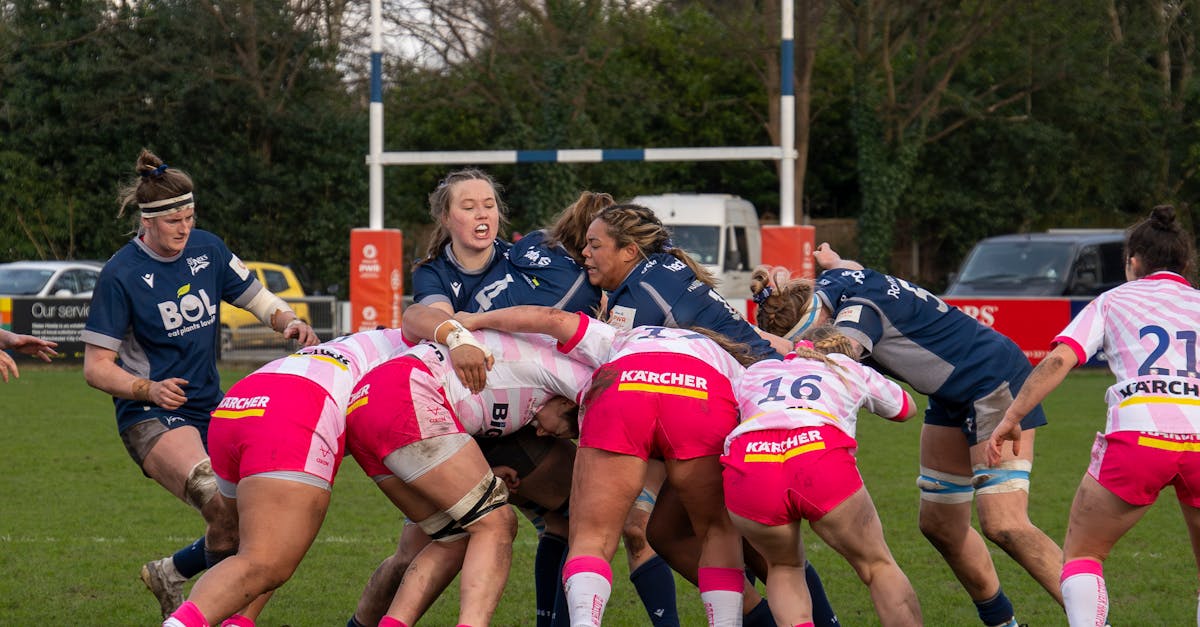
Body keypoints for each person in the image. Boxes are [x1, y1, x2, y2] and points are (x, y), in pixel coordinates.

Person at [384, 173, 678, 627]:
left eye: (489, 205)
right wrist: (458, 334)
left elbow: (548, 327)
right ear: (445, 216)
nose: (482, 214)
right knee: (420, 552)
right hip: (455, 416)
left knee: (567, 518)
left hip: (512, 417)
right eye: (468, 206)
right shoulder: (434, 271)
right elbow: (433, 323)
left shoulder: (520, 256)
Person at [752, 243, 1065, 626]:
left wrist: (753, 340)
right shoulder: (835, 280)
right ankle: (1003, 622)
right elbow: (845, 264)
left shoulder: (856, 316)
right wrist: (829, 259)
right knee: (940, 525)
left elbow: (831, 358)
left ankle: (1093, 617)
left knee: (1005, 524)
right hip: (952, 393)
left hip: (991, 380)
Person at [81, 149, 320, 620]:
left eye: (190, 217)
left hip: (212, 408)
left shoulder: (208, 249)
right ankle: (211, 615)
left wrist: (287, 320)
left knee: (253, 525)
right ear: (147, 221)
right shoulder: (120, 274)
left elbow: (256, 297)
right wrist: (146, 390)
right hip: (149, 416)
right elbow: (96, 367)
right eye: (174, 220)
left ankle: (173, 573)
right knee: (222, 510)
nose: (184, 228)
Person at [582, 202, 835, 626]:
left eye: (594, 245)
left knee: (758, 544)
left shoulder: (638, 301)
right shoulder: (663, 269)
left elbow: (617, 379)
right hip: (746, 406)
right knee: (668, 533)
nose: (585, 254)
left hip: (743, 415)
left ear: (628, 251)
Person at [458, 305, 758, 627]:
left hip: (626, 386)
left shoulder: (624, 337)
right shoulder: (726, 361)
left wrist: (474, 320)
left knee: (591, 538)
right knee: (716, 533)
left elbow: (552, 319)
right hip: (699, 392)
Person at [988, 205, 1200, 627]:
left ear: (1134, 261)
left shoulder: (1112, 301)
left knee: (1083, 555)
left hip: (1140, 439)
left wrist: (1012, 416)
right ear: (1185, 263)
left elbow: (1059, 361)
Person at [344, 306, 598, 626]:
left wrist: (484, 474)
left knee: (455, 537)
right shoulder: (567, 372)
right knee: (497, 523)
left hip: (369, 408)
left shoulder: (531, 392)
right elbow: (414, 314)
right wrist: (458, 335)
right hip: (406, 397)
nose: (549, 434)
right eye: (568, 429)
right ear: (566, 402)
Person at [160, 327, 410, 627]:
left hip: (240, 400)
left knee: (247, 535)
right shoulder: (414, 349)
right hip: (296, 409)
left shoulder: (359, 342)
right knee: (266, 560)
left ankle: (233, 620)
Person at [727, 279, 923, 626]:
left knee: (783, 567)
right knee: (877, 565)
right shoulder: (846, 367)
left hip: (752, 462)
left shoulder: (757, 370)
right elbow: (905, 408)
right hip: (817, 455)